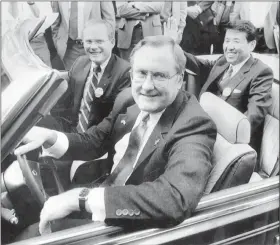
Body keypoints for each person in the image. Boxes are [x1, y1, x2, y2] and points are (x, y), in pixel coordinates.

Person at [14, 36, 217, 238]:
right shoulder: (129, 100)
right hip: (105, 195)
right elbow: (95, 141)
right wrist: (50, 136)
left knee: (29, 236)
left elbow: (175, 199)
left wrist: (81, 198)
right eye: (141, 74)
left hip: (132, 228)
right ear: (131, 74)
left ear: (179, 79)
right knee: (25, 207)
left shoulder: (194, 124)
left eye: (159, 76)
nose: (147, 86)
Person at [183, 20, 274, 151]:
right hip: (204, 131)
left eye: (236, 41)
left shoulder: (261, 72)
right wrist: (172, 46)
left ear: (252, 45)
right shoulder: (223, 61)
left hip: (230, 145)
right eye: (227, 40)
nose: (229, 46)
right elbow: (199, 64)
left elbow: (253, 118)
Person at [43, 19, 131, 134]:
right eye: (88, 41)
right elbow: (64, 105)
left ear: (112, 42)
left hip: (99, 138)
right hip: (72, 131)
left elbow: (115, 119)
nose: (93, 47)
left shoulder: (124, 71)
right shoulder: (80, 62)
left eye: (99, 41)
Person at [51, 1, 115, 70]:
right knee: (72, 78)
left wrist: (106, 44)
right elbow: (55, 21)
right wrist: (57, 41)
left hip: (95, 47)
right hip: (69, 49)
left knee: (95, 77)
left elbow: (109, 19)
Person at [2, 1, 54, 66]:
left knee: (45, 72)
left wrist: (31, 3)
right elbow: (8, 24)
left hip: (37, 42)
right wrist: (13, 4)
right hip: (15, 45)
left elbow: (46, 16)